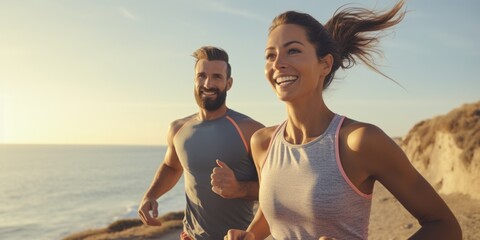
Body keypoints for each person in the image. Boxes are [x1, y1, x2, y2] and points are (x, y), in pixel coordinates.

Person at [225, 1, 462, 239]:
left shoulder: (358, 142)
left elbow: (445, 227)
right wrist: (250, 235)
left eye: (293, 50)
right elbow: (271, 214)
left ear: (325, 64)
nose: (277, 63)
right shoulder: (262, 143)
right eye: (270, 55)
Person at [138, 46, 264, 240]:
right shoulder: (178, 129)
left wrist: (239, 188)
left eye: (217, 77)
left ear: (229, 83)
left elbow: (274, 189)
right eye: (202, 76)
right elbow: (171, 167)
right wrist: (151, 195)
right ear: (194, 80)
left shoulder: (250, 130)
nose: (208, 83)